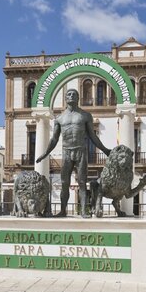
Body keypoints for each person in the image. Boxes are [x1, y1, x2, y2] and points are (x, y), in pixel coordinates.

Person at [36, 89, 111, 217]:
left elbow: (92, 136)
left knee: (82, 182)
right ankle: (63, 210)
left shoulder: (85, 115)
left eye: (74, 94)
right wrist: (45, 154)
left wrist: (105, 150)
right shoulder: (59, 118)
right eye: (69, 94)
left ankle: (83, 211)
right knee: (65, 183)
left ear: (78, 98)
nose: (71, 96)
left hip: (81, 150)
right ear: (65, 98)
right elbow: (54, 139)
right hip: (66, 151)